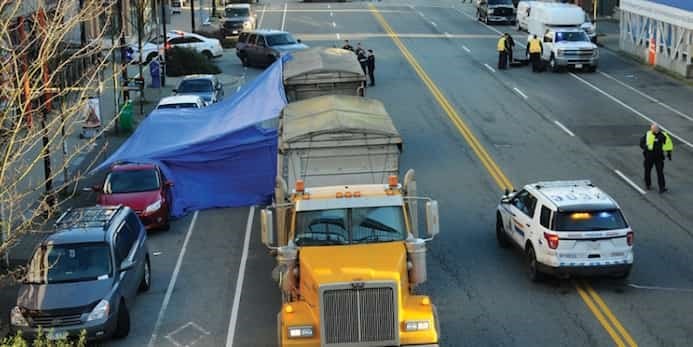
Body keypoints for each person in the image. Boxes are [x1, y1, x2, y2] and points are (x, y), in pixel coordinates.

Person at [639, 123, 674, 193]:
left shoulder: (663, 136)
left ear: (658, 129)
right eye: (652, 128)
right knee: (647, 171)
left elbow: (668, 144)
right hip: (649, 156)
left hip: (659, 157)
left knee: (660, 172)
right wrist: (644, 147)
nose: (652, 130)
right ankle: (648, 184)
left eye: (654, 129)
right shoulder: (648, 134)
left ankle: (662, 187)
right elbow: (641, 142)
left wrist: (669, 153)